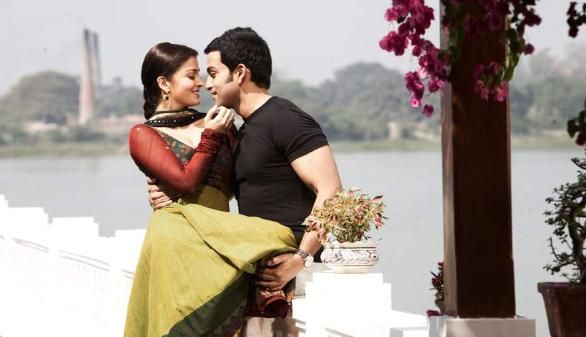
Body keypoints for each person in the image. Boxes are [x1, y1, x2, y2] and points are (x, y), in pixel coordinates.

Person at [149, 28, 343, 336]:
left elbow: (331, 191)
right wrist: (169, 192)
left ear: (240, 73)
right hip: (254, 259)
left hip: (285, 263)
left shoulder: (286, 119)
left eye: (213, 73)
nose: (207, 84)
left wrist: (301, 258)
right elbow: (219, 190)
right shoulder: (239, 131)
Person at [124, 42, 299, 337]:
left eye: (202, 75)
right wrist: (210, 138)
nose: (201, 84)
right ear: (164, 83)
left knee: (277, 234)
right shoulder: (144, 134)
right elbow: (186, 183)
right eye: (191, 76)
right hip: (179, 245)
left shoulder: (218, 122)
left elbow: (238, 183)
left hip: (221, 238)